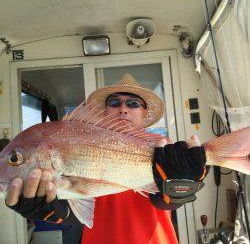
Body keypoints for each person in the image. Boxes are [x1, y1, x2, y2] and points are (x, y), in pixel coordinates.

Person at [5, 74, 207, 244]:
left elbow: (164, 203)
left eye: (133, 103)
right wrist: (51, 210)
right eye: (114, 102)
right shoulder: (79, 141)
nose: (123, 108)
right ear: (105, 111)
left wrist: (177, 191)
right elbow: (72, 211)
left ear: (145, 113)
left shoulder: (162, 149)